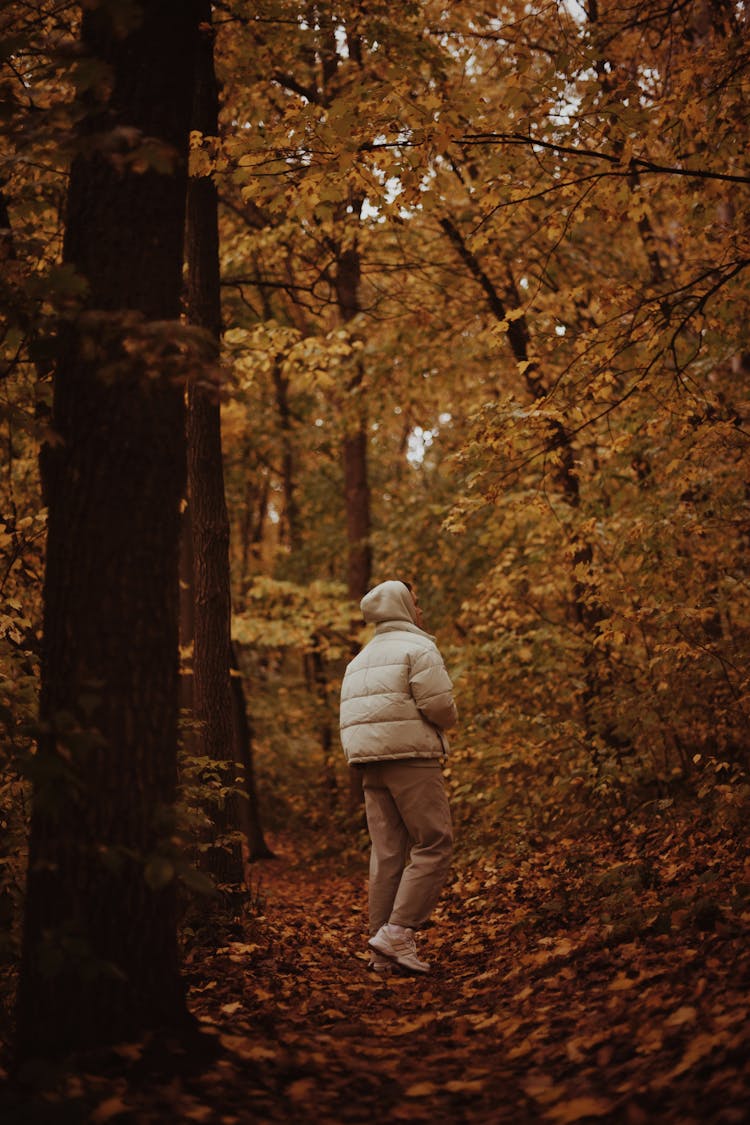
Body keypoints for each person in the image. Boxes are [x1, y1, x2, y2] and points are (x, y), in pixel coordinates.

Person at [340, 579, 457, 974]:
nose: (420, 610)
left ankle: (380, 951)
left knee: (387, 853)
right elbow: (440, 706)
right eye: (416, 602)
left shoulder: (360, 659)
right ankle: (399, 932)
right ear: (402, 606)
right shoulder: (419, 646)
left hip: (370, 765)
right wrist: (448, 720)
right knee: (434, 842)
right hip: (411, 759)